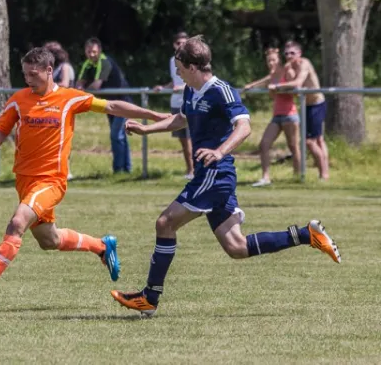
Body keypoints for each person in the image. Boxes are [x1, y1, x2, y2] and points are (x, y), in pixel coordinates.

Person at [110, 36, 341, 317]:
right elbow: (182, 118)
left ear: (193, 66)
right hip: (210, 175)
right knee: (237, 247)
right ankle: (307, 234)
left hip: (215, 175)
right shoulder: (190, 91)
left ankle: (149, 297)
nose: (177, 71)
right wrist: (147, 129)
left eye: (179, 66)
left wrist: (219, 151)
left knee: (165, 222)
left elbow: (244, 128)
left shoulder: (222, 91)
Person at [0, 47, 170, 305]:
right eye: (25, 74)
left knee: (17, 223)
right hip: (24, 181)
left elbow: (111, 105)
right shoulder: (18, 99)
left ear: (49, 70)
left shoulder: (69, 98)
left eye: (33, 74)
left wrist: (152, 115)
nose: (28, 80)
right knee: (49, 240)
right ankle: (101, 246)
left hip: (51, 181)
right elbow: (2, 128)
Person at [270, 41, 329, 180]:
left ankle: (324, 175)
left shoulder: (304, 64)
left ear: (299, 53)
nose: (289, 55)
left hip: (316, 104)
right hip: (305, 105)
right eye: (286, 53)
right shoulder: (289, 67)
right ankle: (324, 172)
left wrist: (277, 86)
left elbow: (297, 83)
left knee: (310, 142)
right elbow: (274, 78)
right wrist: (253, 85)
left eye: (292, 53)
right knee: (319, 140)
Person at [244, 47, 300, 187]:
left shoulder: (287, 71)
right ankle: (265, 177)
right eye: (269, 60)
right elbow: (266, 81)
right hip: (277, 116)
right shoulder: (272, 75)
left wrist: (278, 88)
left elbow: (294, 92)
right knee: (264, 144)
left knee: (293, 146)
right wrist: (251, 85)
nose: (271, 63)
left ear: (279, 60)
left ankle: (299, 176)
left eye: (273, 60)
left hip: (290, 115)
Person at [76, 37, 132, 173]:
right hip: (110, 104)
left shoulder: (104, 62)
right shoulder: (87, 64)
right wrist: (80, 87)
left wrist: (84, 90)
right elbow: (79, 83)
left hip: (122, 102)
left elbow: (96, 85)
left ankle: (119, 169)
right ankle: (126, 169)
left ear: (99, 51)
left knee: (116, 135)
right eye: (89, 52)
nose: (91, 54)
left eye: (94, 51)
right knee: (120, 136)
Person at [154, 31, 194, 180]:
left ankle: (197, 171)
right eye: (178, 43)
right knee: (183, 141)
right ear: (174, 45)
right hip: (176, 103)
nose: (181, 46)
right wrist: (163, 87)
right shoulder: (173, 61)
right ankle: (190, 170)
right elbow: (175, 82)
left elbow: (196, 83)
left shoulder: (193, 60)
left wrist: (182, 88)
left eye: (184, 43)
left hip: (190, 103)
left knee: (192, 139)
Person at [44, 41, 76, 180]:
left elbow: (65, 84)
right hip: (53, 108)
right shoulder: (53, 69)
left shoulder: (65, 67)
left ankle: (66, 170)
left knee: (63, 139)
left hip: (64, 107)